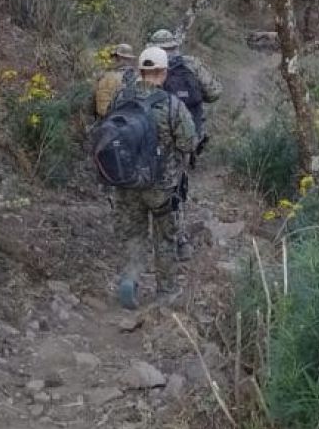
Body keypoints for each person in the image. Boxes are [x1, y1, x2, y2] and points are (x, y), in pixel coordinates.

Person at [104, 47, 196, 309]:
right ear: (164, 72)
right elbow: (189, 142)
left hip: (126, 182)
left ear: (140, 71)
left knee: (132, 234)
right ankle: (166, 292)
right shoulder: (171, 105)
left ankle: (130, 281)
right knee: (164, 238)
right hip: (161, 186)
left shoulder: (120, 98)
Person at [145, 29, 222, 160]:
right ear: (175, 46)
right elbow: (214, 93)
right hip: (192, 130)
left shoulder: (149, 68)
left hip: (159, 135)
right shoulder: (191, 64)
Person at [92, 43, 137, 119]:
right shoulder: (137, 76)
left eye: (114, 57)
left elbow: (102, 109)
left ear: (119, 57)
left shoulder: (108, 77)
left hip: (111, 121)